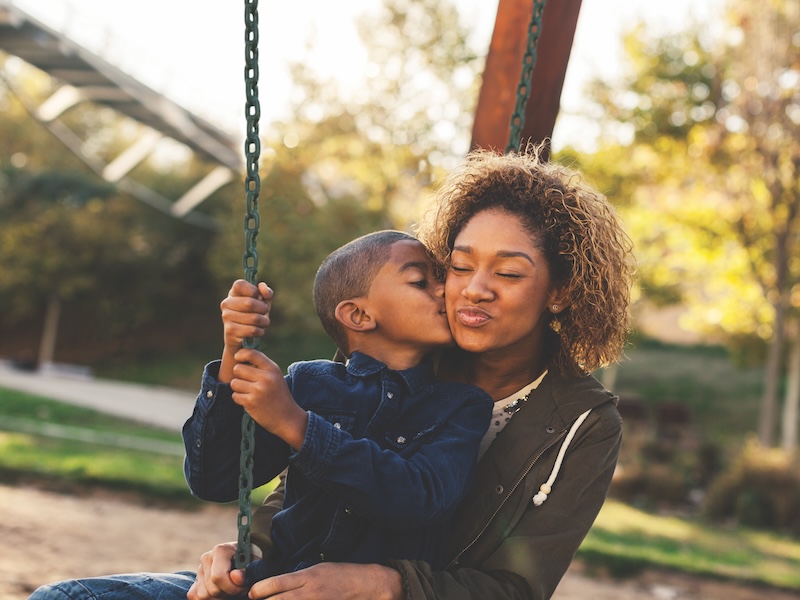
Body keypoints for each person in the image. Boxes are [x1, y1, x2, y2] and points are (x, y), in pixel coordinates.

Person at [30, 146, 635, 600]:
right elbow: (278, 481)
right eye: (457, 267)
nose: (472, 290)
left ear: (559, 292)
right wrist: (244, 553)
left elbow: (516, 589)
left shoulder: (578, 420)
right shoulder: (402, 356)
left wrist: (383, 584)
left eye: (508, 273)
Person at [29, 230, 493, 599]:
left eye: (442, 278)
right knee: (65, 596)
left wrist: (297, 426)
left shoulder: (460, 406)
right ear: (358, 316)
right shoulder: (308, 385)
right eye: (421, 281)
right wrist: (233, 353)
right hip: (264, 586)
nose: (447, 291)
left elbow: (420, 499)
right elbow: (215, 479)